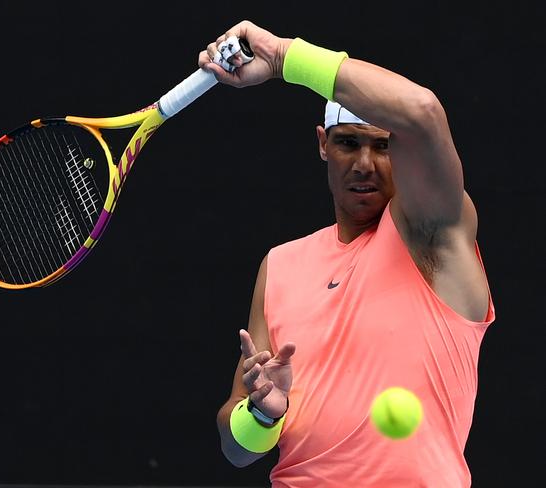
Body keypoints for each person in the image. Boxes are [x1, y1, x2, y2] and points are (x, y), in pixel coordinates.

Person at [199, 21, 495, 487]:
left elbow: (420, 111)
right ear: (323, 144)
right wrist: (260, 414)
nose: (364, 164)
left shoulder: (435, 234)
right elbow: (235, 452)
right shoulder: (279, 266)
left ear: (404, 152)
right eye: (348, 142)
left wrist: (282, 58)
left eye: (382, 146)